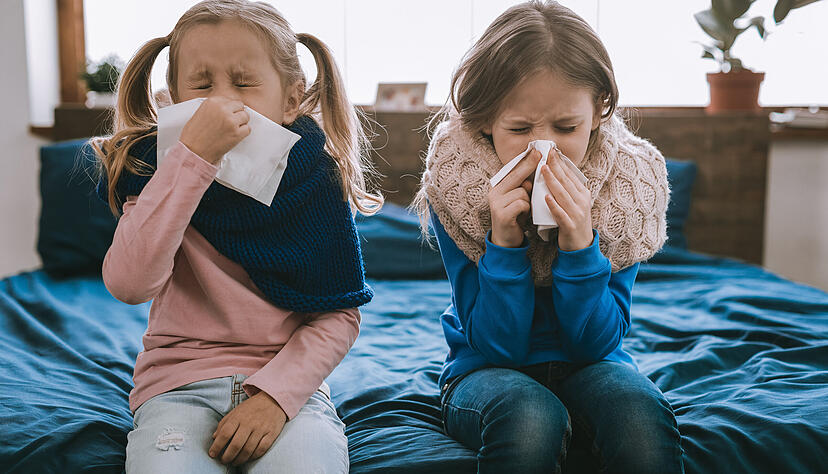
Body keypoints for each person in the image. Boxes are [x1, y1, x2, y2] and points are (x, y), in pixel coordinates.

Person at [93, 1, 382, 472]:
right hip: (176, 391)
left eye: (244, 83)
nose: (221, 101)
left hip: (288, 394)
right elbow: (128, 284)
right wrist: (190, 160)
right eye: (202, 85)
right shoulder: (154, 172)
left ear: (291, 100)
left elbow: (338, 316)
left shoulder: (316, 184)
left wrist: (276, 397)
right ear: (174, 97)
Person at [414, 1, 683, 472]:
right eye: (519, 129)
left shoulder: (628, 191)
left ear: (600, 109)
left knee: (638, 416)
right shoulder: (455, 188)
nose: (546, 147)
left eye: (566, 127)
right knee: (530, 416)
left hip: (594, 364)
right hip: (484, 370)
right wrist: (503, 241)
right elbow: (499, 346)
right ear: (483, 120)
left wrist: (581, 247)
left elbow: (596, 344)